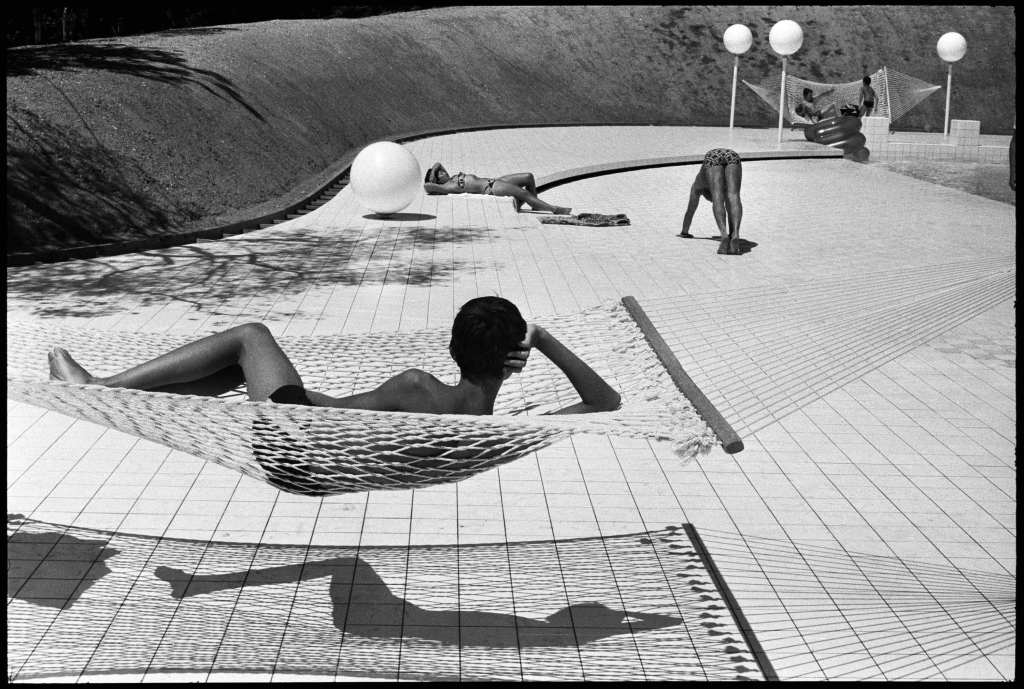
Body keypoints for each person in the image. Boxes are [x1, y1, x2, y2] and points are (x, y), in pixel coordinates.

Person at [47, 296, 620, 417]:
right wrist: (541, 340)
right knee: (228, 375)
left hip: (300, 443)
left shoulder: (420, 387)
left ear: (454, 348)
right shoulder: (496, 429)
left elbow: (336, 415)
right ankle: (116, 400)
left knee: (250, 335)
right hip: (319, 454)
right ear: (511, 360)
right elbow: (605, 401)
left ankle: (99, 388)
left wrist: (274, 395)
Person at [424, 163, 572, 215]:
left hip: (494, 180)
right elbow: (427, 186)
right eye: (440, 174)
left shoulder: (451, 178)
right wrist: (432, 177)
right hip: (491, 188)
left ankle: (535, 204)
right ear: (437, 179)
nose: (443, 171)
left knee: (528, 176)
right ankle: (553, 209)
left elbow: (438, 163)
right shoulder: (446, 186)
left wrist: (434, 169)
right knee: (523, 193)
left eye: (441, 171)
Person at [678, 148, 743, 255]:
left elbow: (690, 211)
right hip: (732, 155)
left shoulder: (697, 187)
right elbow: (730, 204)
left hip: (713, 157)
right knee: (734, 195)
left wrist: (684, 232)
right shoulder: (724, 187)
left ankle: (724, 235)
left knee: (717, 197)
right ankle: (735, 234)